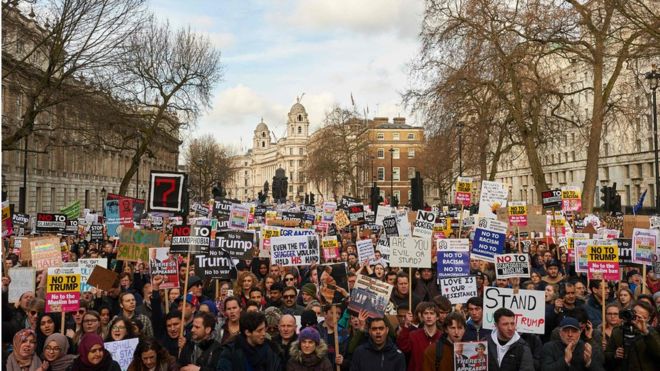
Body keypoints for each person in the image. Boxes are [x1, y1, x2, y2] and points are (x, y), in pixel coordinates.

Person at [604, 300, 660, 371]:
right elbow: (607, 356)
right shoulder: (618, 331)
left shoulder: (652, 332)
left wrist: (646, 333)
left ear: (648, 319)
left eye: (641, 318)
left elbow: (658, 353)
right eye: (635, 316)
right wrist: (614, 355)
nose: (637, 320)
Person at [217, 311, 282, 371]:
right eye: (259, 330)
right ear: (247, 332)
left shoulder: (272, 350)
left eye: (264, 329)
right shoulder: (230, 351)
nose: (264, 333)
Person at [397, 301, 441, 371]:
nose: (429, 316)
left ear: (437, 317)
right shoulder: (414, 335)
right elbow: (403, 347)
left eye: (432, 313)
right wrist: (406, 326)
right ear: (422, 316)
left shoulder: (442, 337)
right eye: (426, 313)